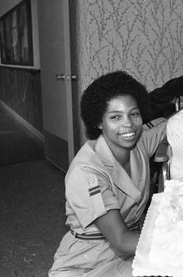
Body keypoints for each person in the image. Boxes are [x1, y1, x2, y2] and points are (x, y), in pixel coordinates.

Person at [49, 71, 166, 277]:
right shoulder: (87, 171)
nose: (128, 124)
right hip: (88, 261)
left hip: (131, 252)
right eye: (115, 117)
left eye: (134, 114)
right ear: (99, 122)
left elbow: (171, 125)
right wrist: (178, 239)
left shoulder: (138, 145)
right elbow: (120, 240)